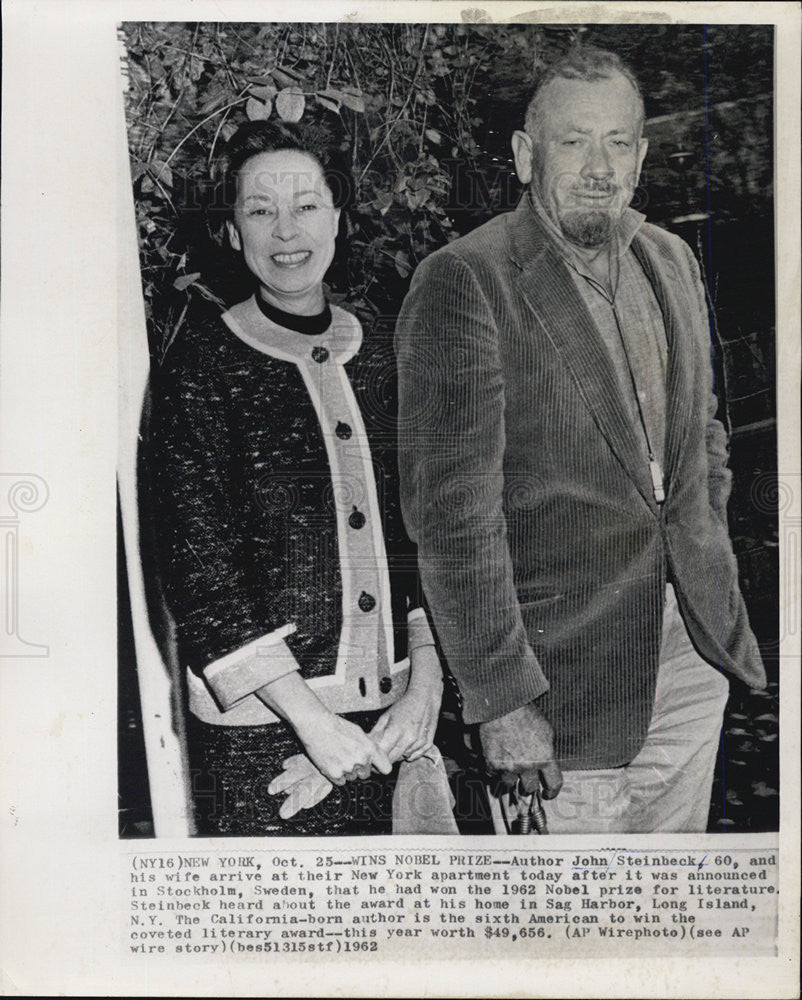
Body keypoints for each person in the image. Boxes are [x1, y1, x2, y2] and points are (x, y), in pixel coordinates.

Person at [394, 46, 766, 834]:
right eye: (574, 142)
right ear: (527, 155)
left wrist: (710, 558)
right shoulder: (466, 279)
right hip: (560, 688)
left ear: (641, 154)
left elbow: (703, 435)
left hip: (690, 661)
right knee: (569, 935)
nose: (600, 167)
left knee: (671, 923)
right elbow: (455, 518)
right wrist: (501, 700)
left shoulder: (670, 258)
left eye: (619, 142)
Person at [145, 113, 454, 836]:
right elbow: (200, 572)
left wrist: (427, 686)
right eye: (261, 211)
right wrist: (314, 728)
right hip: (264, 739)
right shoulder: (201, 369)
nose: (287, 233)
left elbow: (425, 534)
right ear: (232, 233)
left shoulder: (382, 351)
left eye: (306, 206)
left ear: (338, 219)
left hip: (396, 725)